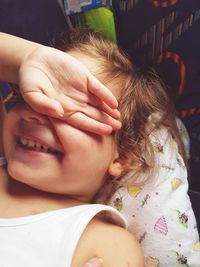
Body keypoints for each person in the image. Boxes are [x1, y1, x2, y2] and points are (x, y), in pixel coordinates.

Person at [0, 29, 147, 267]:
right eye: (29, 96)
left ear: (122, 156)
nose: (36, 113)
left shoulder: (105, 243)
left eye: (76, 112)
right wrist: (26, 58)